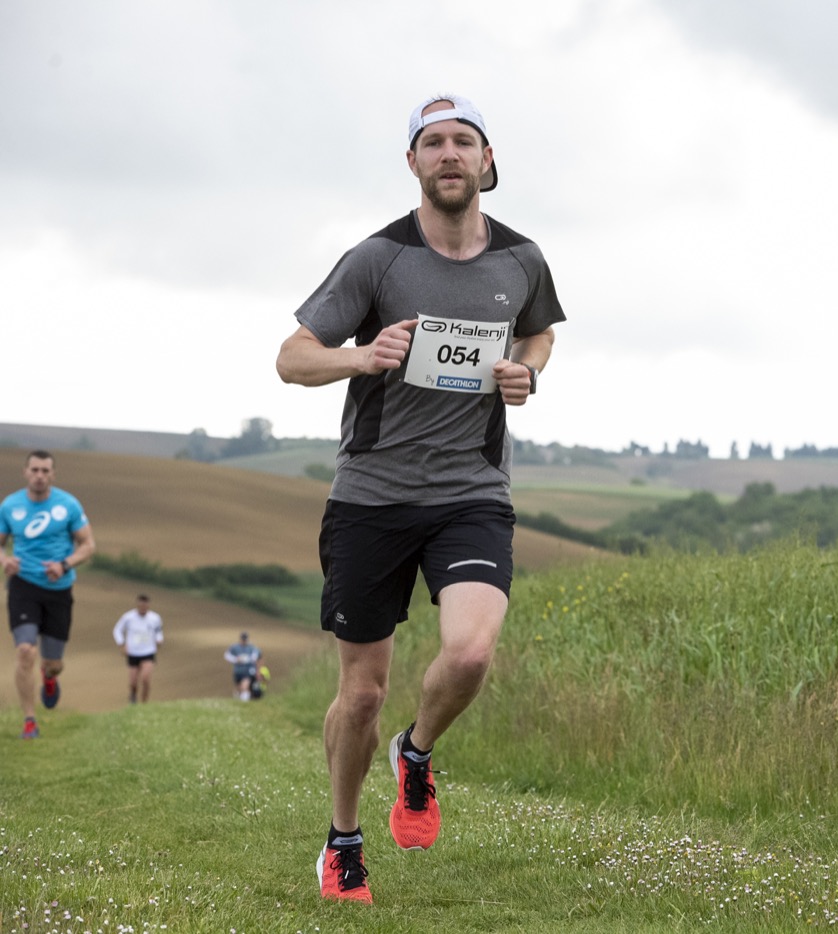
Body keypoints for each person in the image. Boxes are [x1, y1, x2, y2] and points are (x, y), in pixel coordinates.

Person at [276, 92, 565, 904]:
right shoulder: (378, 259)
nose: (448, 154)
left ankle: (418, 751)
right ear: (412, 162)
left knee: (470, 653)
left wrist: (528, 370)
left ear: (487, 159)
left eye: (463, 141)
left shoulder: (522, 259)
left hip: (472, 491)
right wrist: (361, 356)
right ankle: (343, 841)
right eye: (432, 142)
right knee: (361, 693)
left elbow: (540, 331)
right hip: (371, 497)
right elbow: (292, 358)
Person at [1, 450, 96, 739]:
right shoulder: (10, 506)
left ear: (53, 474)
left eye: (45, 470)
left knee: (54, 663)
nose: (39, 476)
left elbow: (88, 545)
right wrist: (5, 560)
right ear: (25, 472)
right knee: (25, 650)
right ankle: (30, 721)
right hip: (23, 585)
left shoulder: (68, 505)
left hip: (59, 588)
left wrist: (64, 564)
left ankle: (50, 677)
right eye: (35, 470)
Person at [113, 593, 163, 703]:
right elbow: (117, 630)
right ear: (137, 605)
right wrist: (121, 644)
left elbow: (158, 631)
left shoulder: (155, 618)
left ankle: (144, 704)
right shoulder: (128, 617)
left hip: (148, 652)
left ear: (148, 605)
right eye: (141, 605)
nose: (143, 608)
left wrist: (159, 639)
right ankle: (133, 696)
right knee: (133, 682)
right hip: (133, 652)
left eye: (145, 606)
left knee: (145, 678)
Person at [223, 631, 263, 701]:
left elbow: (257, 657)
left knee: (244, 687)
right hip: (237, 671)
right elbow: (227, 656)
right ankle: (241, 698)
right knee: (239, 688)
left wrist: (257, 671)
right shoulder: (234, 647)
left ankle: (245, 702)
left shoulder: (252, 648)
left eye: (245, 639)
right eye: (243, 639)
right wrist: (236, 660)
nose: (244, 641)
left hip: (248, 670)